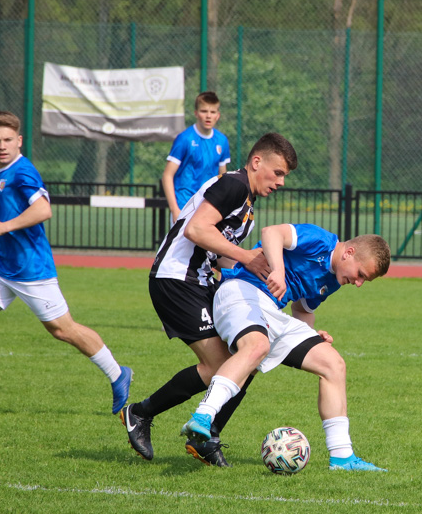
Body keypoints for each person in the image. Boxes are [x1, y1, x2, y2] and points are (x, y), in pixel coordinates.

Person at [0, 108, 132, 413]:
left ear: (19, 141)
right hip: (3, 265)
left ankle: (118, 374)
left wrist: (3, 226)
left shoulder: (23, 171)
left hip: (31, 268)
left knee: (62, 329)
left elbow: (43, 210)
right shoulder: (2, 172)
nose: (2, 145)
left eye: (8, 139)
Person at [120, 133, 298, 466]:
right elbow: (196, 230)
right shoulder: (232, 185)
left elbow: (222, 258)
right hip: (175, 279)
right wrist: (246, 256)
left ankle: (208, 436)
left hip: (200, 283)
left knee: (248, 357)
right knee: (220, 364)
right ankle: (141, 414)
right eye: (278, 172)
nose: (281, 182)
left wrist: (259, 277)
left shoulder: (247, 209)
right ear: (256, 162)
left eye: (285, 176)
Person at [182, 223, 392, 472]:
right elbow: (272, 232)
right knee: (256, 347)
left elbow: (302, 310)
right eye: (360, 274)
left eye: (363, 280)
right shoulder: (321, 241)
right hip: (240, 292)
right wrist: (278, 272)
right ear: (349, 252)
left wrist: (311, 335)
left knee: (333, 364)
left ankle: (342, 457)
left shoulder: (333, 280)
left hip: (270, 311)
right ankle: (203, 416)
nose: (358, 283)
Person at [162, 91, 231, 221]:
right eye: (204, 111)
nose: (208, 116)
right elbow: (167, 175)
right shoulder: (184, 139)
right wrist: (174, 209)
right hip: (184, 206)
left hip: (208, 207)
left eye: (213, 112)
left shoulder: (222, 141)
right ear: (196, 113)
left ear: (218, 115)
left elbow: (222, 178)